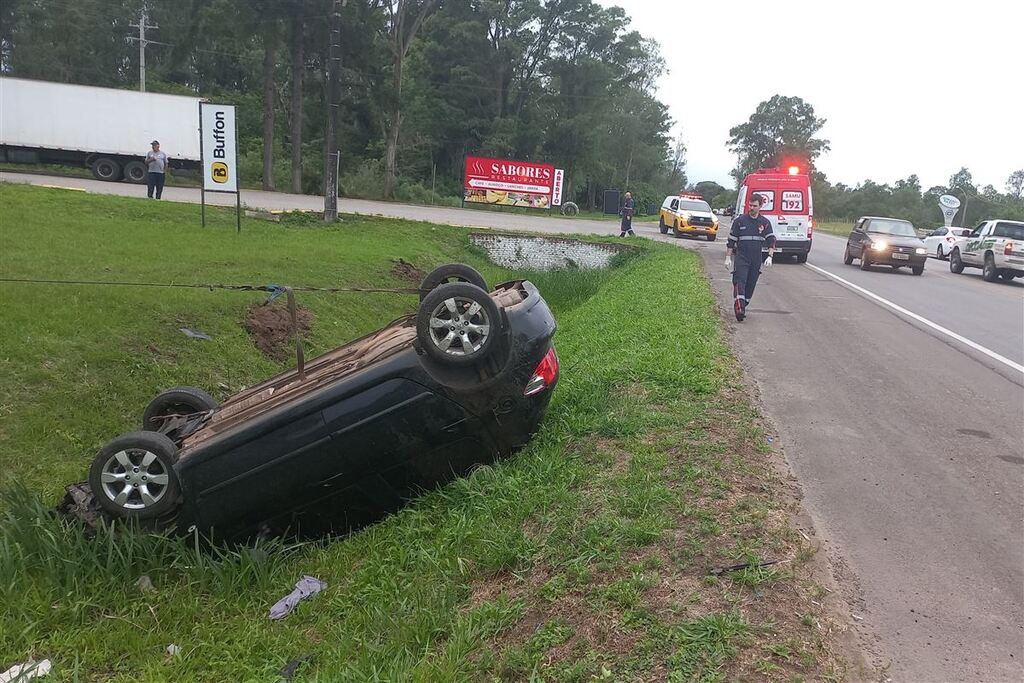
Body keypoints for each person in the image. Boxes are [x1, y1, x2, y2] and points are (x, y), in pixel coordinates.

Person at [725, 193, 775, 321]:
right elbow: (731, 241)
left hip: (756, 258)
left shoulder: (764, 223)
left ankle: (743, 304)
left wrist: (770, 256)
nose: (751, 208)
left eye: (755, 206)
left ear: (760, 206)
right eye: (750, 205)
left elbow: (771, 240)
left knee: (750, 285)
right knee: (740, 281)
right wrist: (728, 257)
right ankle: (739, 309)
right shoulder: (740, 221)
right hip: (742, 257)